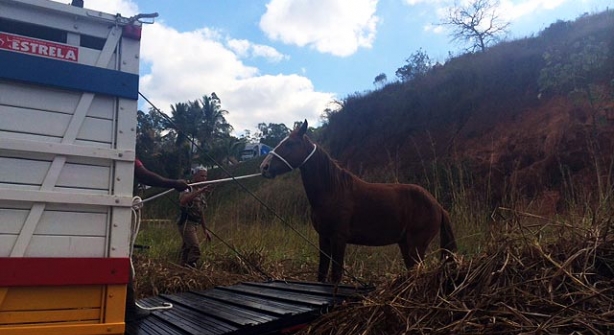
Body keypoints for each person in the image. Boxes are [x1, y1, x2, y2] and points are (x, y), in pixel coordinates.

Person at [125, 158, 189, 322]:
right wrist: (175, 183)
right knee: (121, 257)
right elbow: (144, 175)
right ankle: (128, 307)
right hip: (114, 214)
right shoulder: (124, 149)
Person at [177, 166, 212, 268]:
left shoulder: (201, 191)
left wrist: (205, 229)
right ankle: (190, 266)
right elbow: (183, 200)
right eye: (201, 176)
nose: (204, 178)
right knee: (195, 247)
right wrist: (199, 191)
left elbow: (201, 211)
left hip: (195, 223)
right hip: (187, 222)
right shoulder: (188, 188)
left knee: (187, 249)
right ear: (195, 175)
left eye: (205, 176)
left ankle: (182, 268)